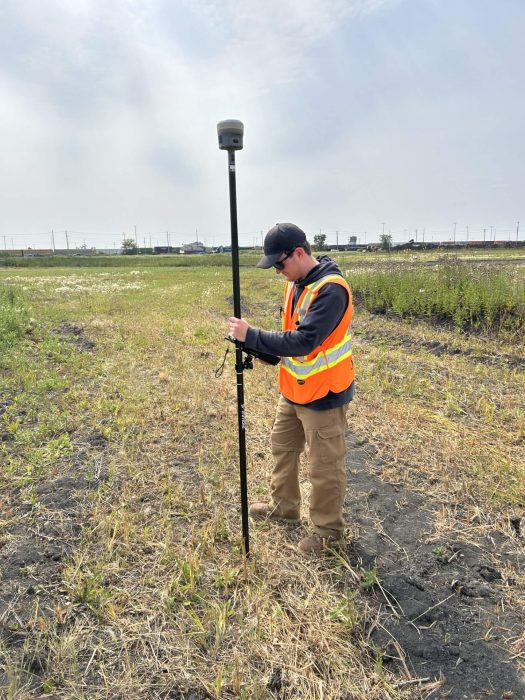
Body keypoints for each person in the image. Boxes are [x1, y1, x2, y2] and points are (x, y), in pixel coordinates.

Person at [228, 222, 355, 554]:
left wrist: (251, 335)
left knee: (324, 465)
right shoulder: (297, 282)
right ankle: (284, 507)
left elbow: (304, 341)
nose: (277, 272)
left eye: (279, 264)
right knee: (282, 447)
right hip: (294, 389)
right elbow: (287, 341)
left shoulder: (332, 289)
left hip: (324, 394)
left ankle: (329, 532)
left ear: (299, 253)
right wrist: (253, 346)